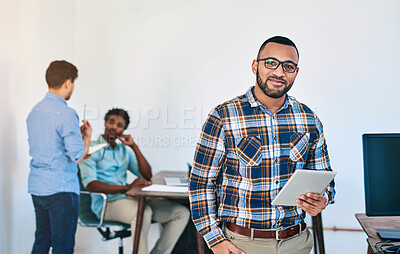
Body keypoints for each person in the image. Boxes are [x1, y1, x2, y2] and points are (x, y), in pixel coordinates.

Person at [189, 36, 336, 254]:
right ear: (255, 66)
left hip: (297, 242)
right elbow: (200, 183)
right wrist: (215, 240)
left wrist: (323, 198)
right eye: (271, 63)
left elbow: (324, 178)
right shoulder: (224, 116)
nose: (279, 72)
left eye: (288, 66)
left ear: (296, 72)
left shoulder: (308, 119)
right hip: (242, 245)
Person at [79, 108, 190, 254]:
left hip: (130, 199)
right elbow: (91, 185)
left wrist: (134, 147)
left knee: (181, 213)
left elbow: (147, 174)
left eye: (119, 125)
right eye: (111, 122)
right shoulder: (91, 149)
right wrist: (127, 188)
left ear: (123, 130)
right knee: (144, 212)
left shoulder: (123, 151)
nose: (114, 127)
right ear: (105, 123)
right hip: (106, 204)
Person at [27, 60, 92, 254]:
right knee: (63, 246)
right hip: (61, 188)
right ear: (68, 82)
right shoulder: (65, 113)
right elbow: (78, 155)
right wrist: (86, 137)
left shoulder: (34, 112)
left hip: (38, 187)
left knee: (42, 241)